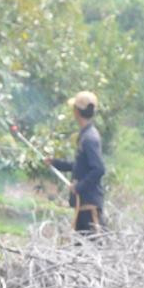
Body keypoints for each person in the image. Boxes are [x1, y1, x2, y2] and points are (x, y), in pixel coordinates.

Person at [49, 91, 106, 234]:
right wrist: (56, 163)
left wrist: (79, 187)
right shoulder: (86, 135)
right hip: (83, 207)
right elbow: (80, 166)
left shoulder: (89, 138)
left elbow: (98, 169)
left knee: (92, 251)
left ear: (76, 111)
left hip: (89, 208)